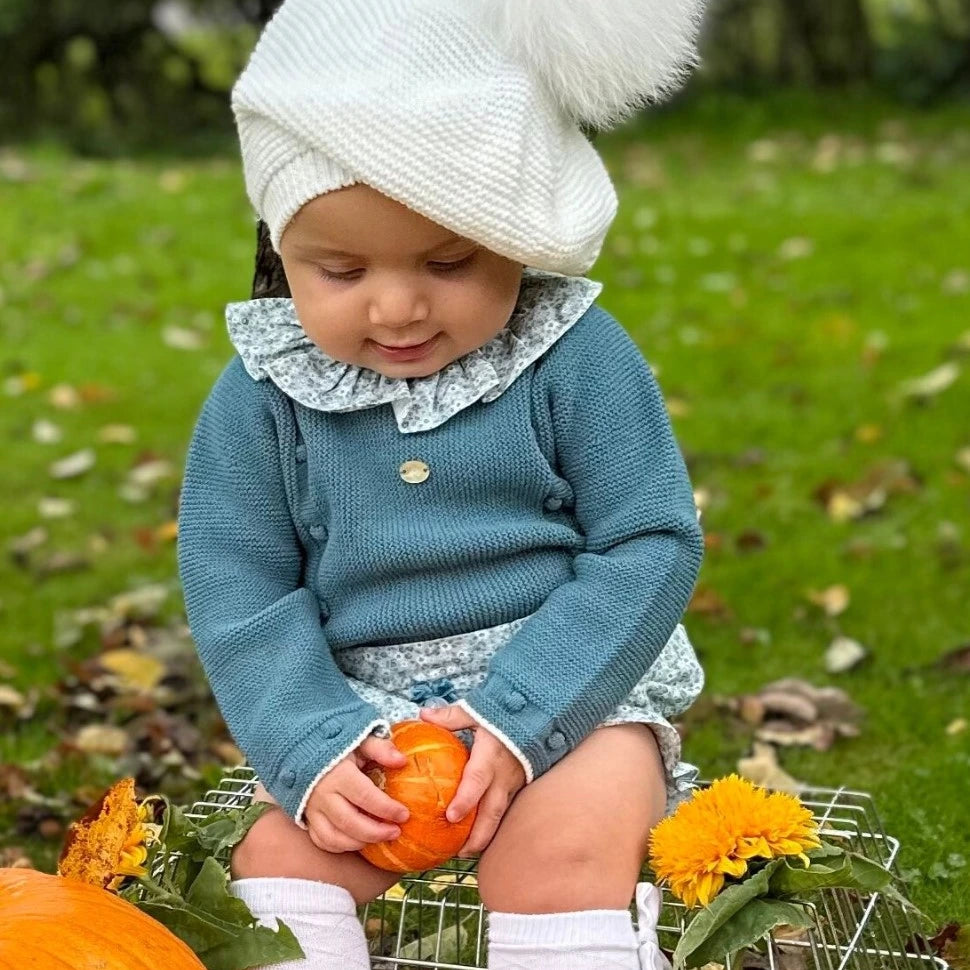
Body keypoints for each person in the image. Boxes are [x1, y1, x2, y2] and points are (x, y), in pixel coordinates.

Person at [177, 0, 709, 967]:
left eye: (450, 260)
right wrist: (312, 741)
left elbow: (648, 542)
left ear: (517, 231)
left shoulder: (574, 357)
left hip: (566, 689)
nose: (398, 304)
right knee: (279, 864)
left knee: (560, 853)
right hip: (357, 709)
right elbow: (238, 585)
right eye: (338, 269)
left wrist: (527, 715)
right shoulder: (263, 393)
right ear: (280, 250)